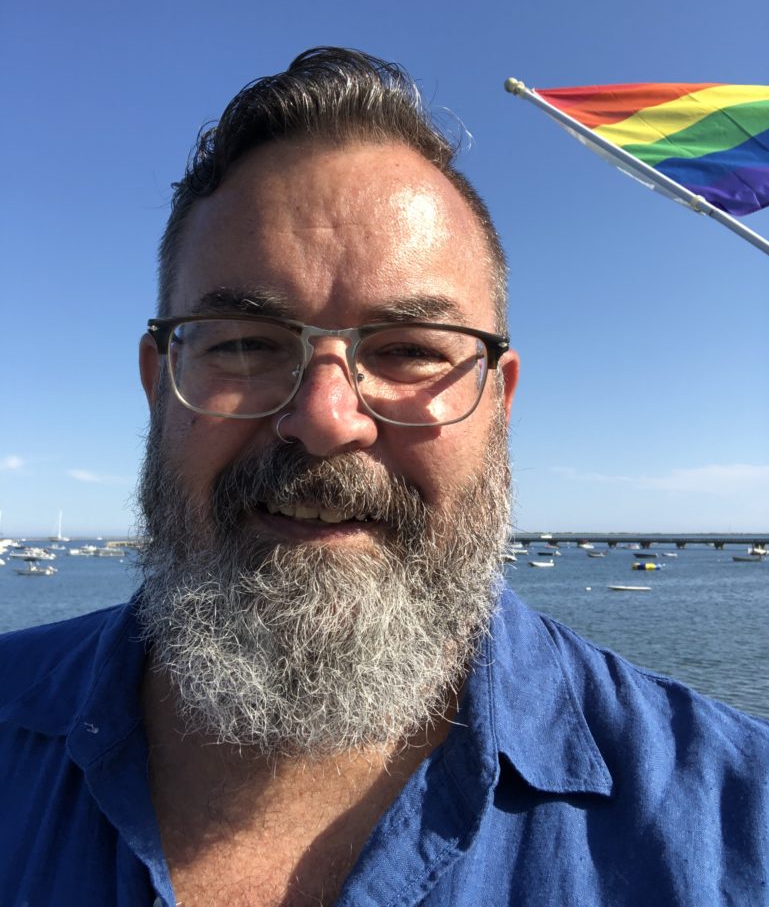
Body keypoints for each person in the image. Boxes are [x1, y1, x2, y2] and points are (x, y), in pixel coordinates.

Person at [0, 48, 767, 907]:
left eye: (408, 352)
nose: (327, 420)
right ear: (157, 385)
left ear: (498, 402)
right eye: (246, 344)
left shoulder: (740, 825)